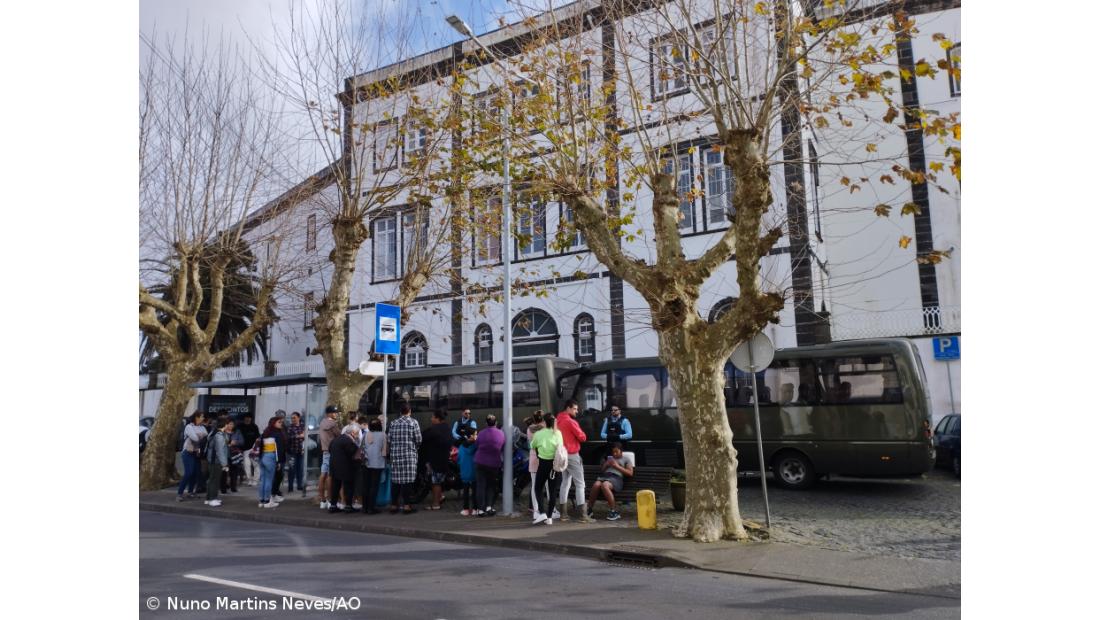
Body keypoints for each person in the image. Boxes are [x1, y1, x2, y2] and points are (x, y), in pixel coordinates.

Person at [556, 400, 594, 522]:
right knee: (580, 484)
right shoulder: (571, 422)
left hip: (561, 455)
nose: (577, 411)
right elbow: (582, 437)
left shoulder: (557, 420)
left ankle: (563, 514)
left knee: (565, 483)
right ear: (568, 408)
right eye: (575, 409)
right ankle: (583, 515)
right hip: (572, 454)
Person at [585, 442, 635, 521]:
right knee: (596, 484)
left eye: (616, 452)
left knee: (605, 485)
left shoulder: (626, 459)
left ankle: (613, 511)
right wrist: (606, 465)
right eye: (613, 452)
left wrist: (617, 466)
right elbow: (602, 470)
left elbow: (630, 473)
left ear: (621, 451)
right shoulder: (610, 459)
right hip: (605, 476)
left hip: (616, 478)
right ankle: (589, 510)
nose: (614, 454)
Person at [387, 405, 422, 514]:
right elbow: (419, 439)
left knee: (395, 481)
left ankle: (394, 506)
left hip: (396, 455)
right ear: (409, 412)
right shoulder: (413, 422)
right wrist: (414, 447)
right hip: (409, 455)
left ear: (400, 412)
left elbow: (389, 439)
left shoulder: (393, 423)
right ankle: (407, 506)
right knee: (408, 481)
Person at [530, 413, 563, 525]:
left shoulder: (538, 434)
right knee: (552, 491)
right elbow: (560, 448)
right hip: (555, 465)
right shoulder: (558, 433)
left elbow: (532, 446)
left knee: (538, 488)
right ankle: (549, 518)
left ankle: (542, 512)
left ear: (544, 422)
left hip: (543, 464)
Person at [473, 414, 505, 517]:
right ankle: (489, 507)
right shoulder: (501, 434)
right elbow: (502, 446)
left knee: (481, 486)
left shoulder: (481, 433)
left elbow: (476, 445)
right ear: (496, 422)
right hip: (494, 463)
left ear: (486, 423)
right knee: (491, 486)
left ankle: (481, 510)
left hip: (481, 462)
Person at [421, 409, 453, 510]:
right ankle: (440, 496)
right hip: (444, 458)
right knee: (438, 480)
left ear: (437, 418)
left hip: (436, 459)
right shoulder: (447, 427)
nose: (431, 419)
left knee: (436, 483)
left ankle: (435, 504)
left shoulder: (434, 429)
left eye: (432, 417)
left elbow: (422, 437)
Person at [328, 424, 361, 513]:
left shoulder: (336, 439)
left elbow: (329, 449)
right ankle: (348, 506)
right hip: (346, 467)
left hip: (334, 467)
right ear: (353, 433)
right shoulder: (349, 442)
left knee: (335, 487)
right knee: (348, 487)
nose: (358, 436)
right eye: (357, 433)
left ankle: (333, 505)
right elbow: (352, 454)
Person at [177, 412, 208, 502]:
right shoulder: (189, 427)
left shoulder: (202, 427)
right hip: (188, 452)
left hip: (197, 453)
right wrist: (201, 436)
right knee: (189, 473)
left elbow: (206, 437)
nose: (203, 418)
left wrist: (200, 437)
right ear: (196, 417)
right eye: (202, 416)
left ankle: (191, 492)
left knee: (195, 473)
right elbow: (195, 438)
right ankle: (179, 493)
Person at [257, 416, 285, 508]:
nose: (281, 424)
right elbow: (279, 450)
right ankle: (268, 501)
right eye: (279, 422)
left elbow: (260, 446)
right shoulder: (278, 434)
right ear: (274, 423)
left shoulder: (265, 433)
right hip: (271, 457)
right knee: (269, 479)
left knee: (263, 480)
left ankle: (262, 500)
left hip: (263, 457)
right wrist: (279, 462)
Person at [317, 405, 341, 510]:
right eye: (334, 412)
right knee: (330, 477)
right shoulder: (333, 424)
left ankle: (322, 500)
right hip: (332, 452)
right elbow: (339, 435)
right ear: (329, 413)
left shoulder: (322, 423)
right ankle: (331, 500)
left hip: (324, 451)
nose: (336, 414)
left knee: (323, 475)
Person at [362, 417, 387, 515]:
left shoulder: (366, 434)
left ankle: (365, 507)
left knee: (366, 486)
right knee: (374, 486)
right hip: (377, 463)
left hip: (366, 463)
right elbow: (385, 450)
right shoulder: (383, 435)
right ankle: (371, 508)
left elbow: (362, 447)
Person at [203, 417, 231, 507]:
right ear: (224, 425)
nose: (228, 425)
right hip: (216, 461)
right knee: (214, 480)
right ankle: (212, 499)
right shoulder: (219, 435)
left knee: (211, 480)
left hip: (212, 460)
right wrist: (224, 464)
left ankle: (209, 498)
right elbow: (220, 451)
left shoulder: (214, 433)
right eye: (227, 424)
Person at [525, 411, 546, 514]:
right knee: (546, 485)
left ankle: (536, 511)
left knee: (534, 486)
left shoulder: (529, 429)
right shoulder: (545, 429)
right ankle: (551, 510)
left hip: (533, 458)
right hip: (544, 459)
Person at [456, 428, 478, 516]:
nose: (477, 436)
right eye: (476, 434)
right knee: (475, 492)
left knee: (465, 492)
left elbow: (458, 459)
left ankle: (465, 509)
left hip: (464, 472)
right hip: (474, 473)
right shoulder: (476, 446)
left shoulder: (461, 446)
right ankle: (475, 509)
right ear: (471, 436)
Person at [237, 413, 261, 486]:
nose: (248, 419)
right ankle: (249, 479)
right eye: (246, 417)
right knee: (246, 465)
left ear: (251, 418)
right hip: (244, 450)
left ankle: (255, 480)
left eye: (249, 417)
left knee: (256, 465)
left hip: (254, 449)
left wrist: (257, 447)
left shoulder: (254, 426)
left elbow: (258, 437)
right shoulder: (240, 426)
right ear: (244, 418)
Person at [286, 412, 306, 496]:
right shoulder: (290, 427)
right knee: (291, 469)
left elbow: (306, 435)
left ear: (299, 417)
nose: (293, 419)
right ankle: (290, 486)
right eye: (292, 418)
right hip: (292, 452)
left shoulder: (302, 426)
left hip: (300, 451)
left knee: (300, 469)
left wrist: (301, 435)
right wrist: (299, 436)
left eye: (294, 418)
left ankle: (299, 485)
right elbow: (289, 437)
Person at [270, 410, 289, 503]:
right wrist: (276, 460)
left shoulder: (284, 428)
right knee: (275, 476)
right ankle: (271, 495)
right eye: (279, 420)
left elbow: (285, 441)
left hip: (282, 455)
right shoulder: (271, 431)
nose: (281, 421)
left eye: (282, 419)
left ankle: (275, 492)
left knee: (280, 475)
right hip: (274, 457)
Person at [221, 417, 241, 494]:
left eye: (232, 424)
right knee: (224, 472)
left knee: (234, 472)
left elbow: (242, 441)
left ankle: (233, 487)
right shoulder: (223, 432)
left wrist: (236, 442)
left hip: (234, 455)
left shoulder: (237, 432)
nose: (231, 426)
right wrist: (227, 444)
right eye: (229, 424)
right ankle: (223, 488)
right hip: (225, 455)